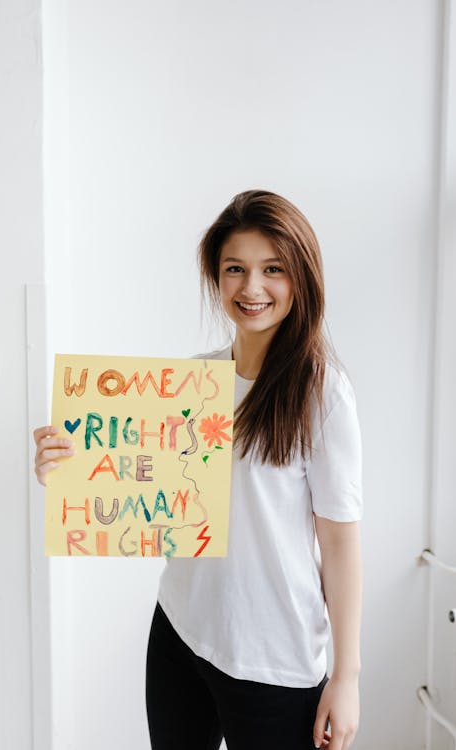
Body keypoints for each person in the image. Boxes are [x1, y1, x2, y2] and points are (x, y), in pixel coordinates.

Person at [34, 189, 363, 750]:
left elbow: (339, 543)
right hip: (180, 630)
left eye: (273, 269)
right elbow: (125, 476)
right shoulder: (189, 384)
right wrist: (62, 467)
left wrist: (347, 677)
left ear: (301, 278)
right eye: (235, 268)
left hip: (272, 658)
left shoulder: (321, 393)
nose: (252, 287)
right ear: (216, 278)